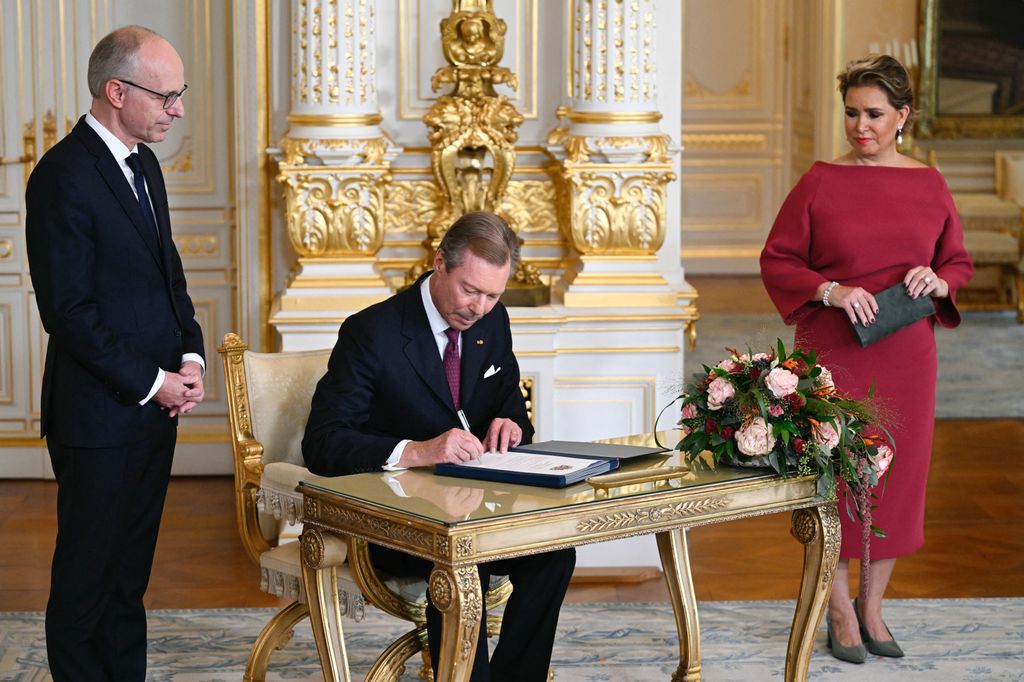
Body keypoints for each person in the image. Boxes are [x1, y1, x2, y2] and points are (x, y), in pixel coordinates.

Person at [760, 54, 973, 664]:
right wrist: (833, 289)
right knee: (836, 481)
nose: (861, 126)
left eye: (874, 114)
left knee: (897, 483)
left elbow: (957, 261)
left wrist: (937, 279)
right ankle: (840, 608)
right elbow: (779, 259)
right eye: (851, 113)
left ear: (902, 116)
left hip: (907, 355)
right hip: (832, 355)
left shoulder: (929, 182)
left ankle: (875, 607)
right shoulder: (821, 179)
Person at [303, 211, 575, 682]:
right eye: (470, 290)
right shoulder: (372, 332)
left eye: (492, 295)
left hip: (476, 513)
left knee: (554, 553)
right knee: (455, 557)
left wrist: (510, 426)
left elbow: (513, 413)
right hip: (394, 521)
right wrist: (418, 450)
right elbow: (324, 442)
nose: (478, 307)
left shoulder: (494, 323)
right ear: (438, 264)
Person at [25, 26, 205, 681]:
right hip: (97, 418)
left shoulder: (145, 165)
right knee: (85, 585)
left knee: (128, 581)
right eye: (167, 95)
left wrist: (191, 359)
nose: (177, 109)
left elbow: (168, 275)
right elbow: (67, 312)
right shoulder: (61, 176)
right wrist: (151, 380)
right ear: (116, 91)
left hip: (154, 411)